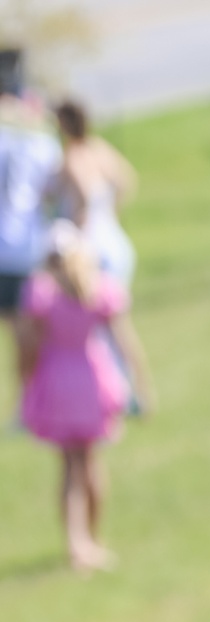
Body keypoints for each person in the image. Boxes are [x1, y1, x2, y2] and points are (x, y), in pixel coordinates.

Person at [17, 220, 153, 572]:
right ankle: (92, 537)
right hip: (94, 378)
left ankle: (76, 543)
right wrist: (141, 385)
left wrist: (24, 384)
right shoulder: (99, 288)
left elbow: (28, 346)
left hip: (57, 381)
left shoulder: (42, 294)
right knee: (90, 463)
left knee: (70, 466)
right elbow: (126, 344)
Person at [0, 50, 62, 390]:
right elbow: (53, 192)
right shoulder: (41, 137)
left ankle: (30, 396)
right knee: (27, 329)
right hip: (27, 244)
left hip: (16, 245)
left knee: (22, 328)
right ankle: (30, 395)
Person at [52, 100, 138, 288]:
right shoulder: (98, 148)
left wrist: (79, 226)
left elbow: (84, 193)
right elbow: (125, 182)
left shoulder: (72, 156)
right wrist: (113, 211)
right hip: (115, 239)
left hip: (91, 247)